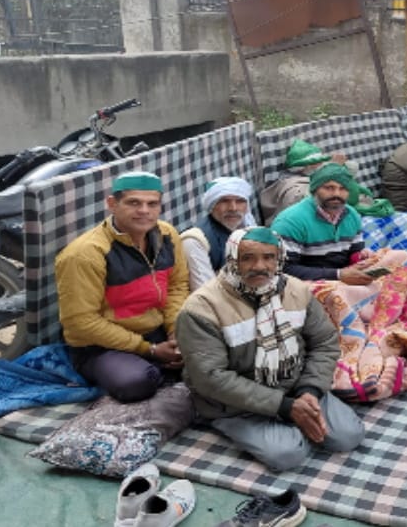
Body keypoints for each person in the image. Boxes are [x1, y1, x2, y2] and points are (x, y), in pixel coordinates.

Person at [176, 227, 364, 472]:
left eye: (269, 257)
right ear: (232, 260)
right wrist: (284, 407)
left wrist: (309, 392)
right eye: (248, 258)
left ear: (279, 259)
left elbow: (324, 343)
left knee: (348, 436)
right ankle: (239, 423)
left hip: (294, 385)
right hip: (235, 405)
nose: (260, 266)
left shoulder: (296, 290)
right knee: (288, 454)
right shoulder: (202, 308)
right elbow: (211, 378)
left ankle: (301, 411)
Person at [55, 171, 189, 403]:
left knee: (219, 352)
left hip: (156, 330)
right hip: (99, 345)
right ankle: (159, 368)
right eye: (133, 202)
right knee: (135, 383)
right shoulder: (85, 254)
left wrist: (175, 331)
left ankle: (166, 366)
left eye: (152, 204)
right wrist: (150, 350)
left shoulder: (167, 235)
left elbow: (177, 286)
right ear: (112, 204)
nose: (144, 211)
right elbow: (81, 323)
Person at [180, 176, 256, 292]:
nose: (233, 208)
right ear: (211, 205)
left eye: (240, 201)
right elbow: (207, 294)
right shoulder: (195, 240)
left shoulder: (250, 229)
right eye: (224, 201)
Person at [260, 139, 347, 224]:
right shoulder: (292, 186)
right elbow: (306, 203)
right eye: (317, 163)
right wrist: (331, 172)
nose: (322, 165)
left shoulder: (310, 178)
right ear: (304, 167)